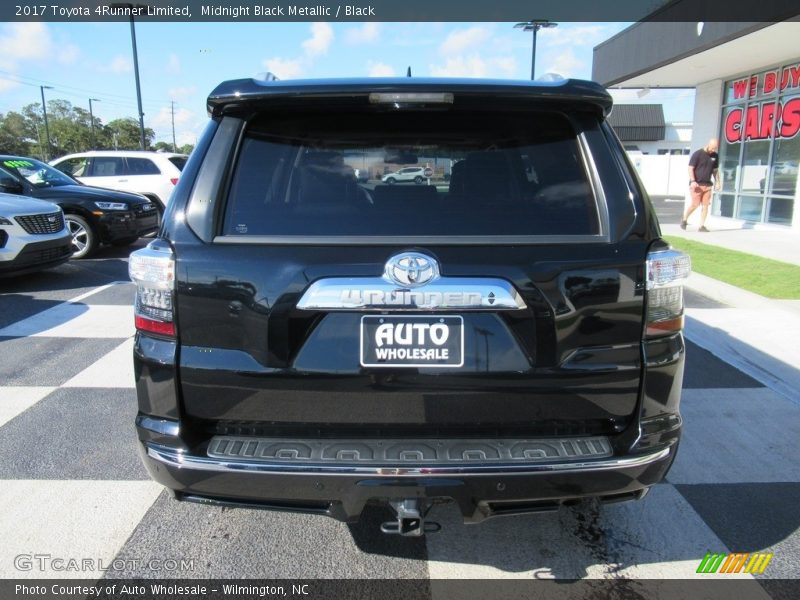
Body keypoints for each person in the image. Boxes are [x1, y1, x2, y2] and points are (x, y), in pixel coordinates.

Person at [681, 138, 720, 232]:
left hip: (708, 185)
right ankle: (684, 219)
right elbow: (690, 168)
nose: (713, 150)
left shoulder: (715, 156)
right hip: (697, 184)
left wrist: (718, 182)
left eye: (715, 149)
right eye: (712, 148)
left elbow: (715, 171)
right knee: (695, 204)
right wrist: (693, 181)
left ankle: (701, 226)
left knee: (705, 206)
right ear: (708, 145)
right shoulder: (698, 154)